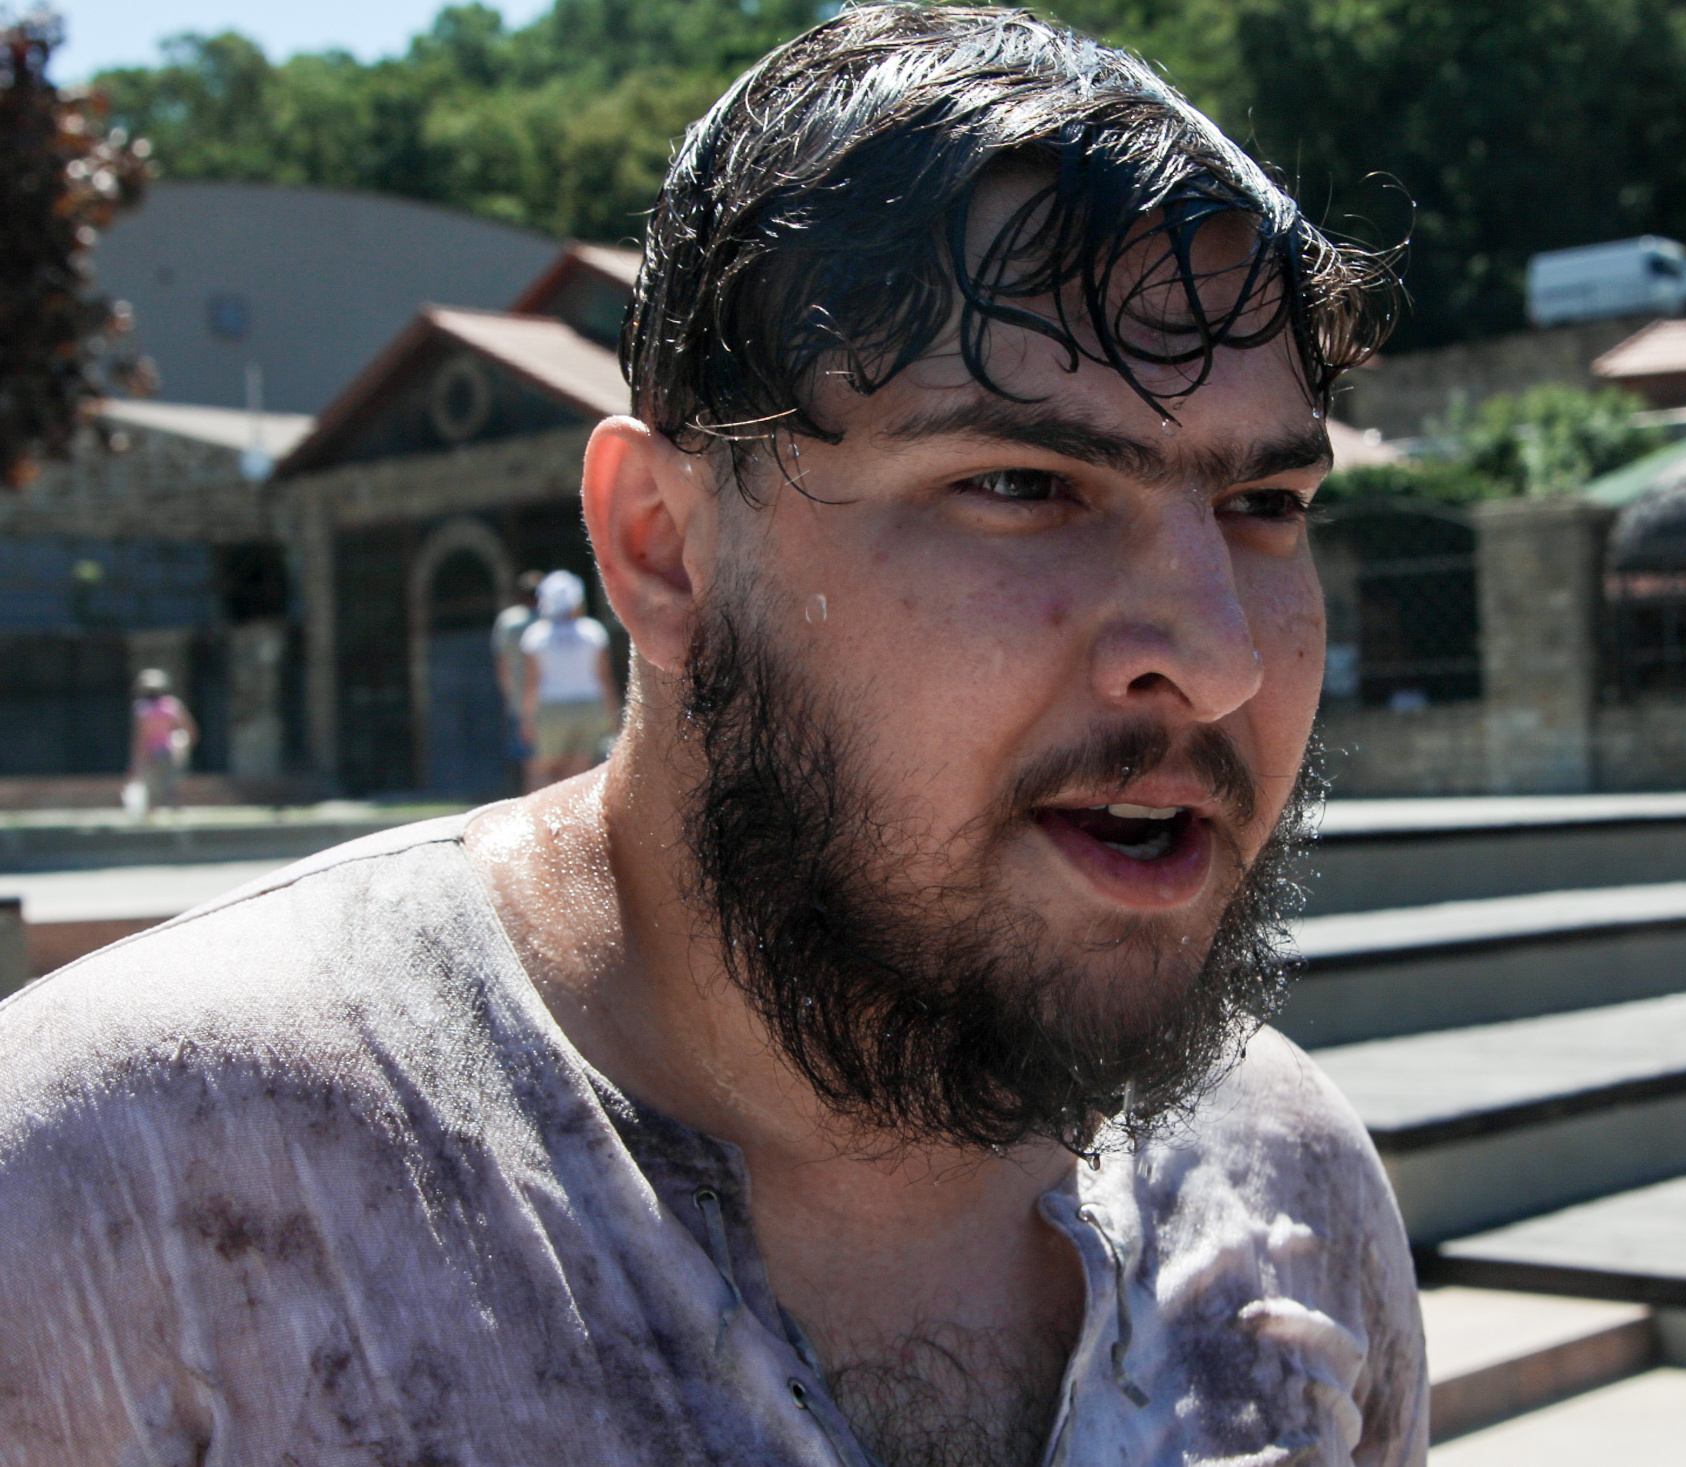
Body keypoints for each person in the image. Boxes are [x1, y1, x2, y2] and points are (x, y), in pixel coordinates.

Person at [0, 9, 1425, 1465]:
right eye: (1021, 483)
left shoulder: (1288, 1194)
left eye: (1265, 507)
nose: (1218, 659)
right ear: (660, 548)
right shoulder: (114, 1201)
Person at [518, 568, 620, 790]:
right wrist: (612, 714)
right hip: (588, 706)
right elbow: (604, 677)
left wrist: (526, 718)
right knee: (579, 774)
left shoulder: (536, 635)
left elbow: (532, 681)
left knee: (543, 771)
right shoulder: (593, 632)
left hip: (551, 708)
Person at [491, 568, 546, 779]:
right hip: (549, 697)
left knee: (529, 762)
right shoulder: (551, 621)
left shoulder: (508, 621)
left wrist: (509, 695)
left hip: (519, 700)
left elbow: (501, 663)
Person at [124, 666, 197, 819]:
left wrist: (137, 759)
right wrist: (186, 744)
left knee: (152, 783)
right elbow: (188, 727)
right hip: (170, 749)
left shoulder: (142, 709)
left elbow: (141, 737)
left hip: (152, 751)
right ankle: (175, 812)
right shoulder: (172, 705)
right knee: (170, 782)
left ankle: (153, 812)